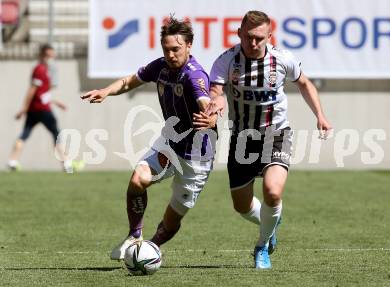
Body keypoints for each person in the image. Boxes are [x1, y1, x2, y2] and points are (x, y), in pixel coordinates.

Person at [194, 10, 332, 269]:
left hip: (276, 134)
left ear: (270, 36)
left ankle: (261, 247)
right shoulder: (226, 61)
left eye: (259, 38)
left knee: (272, 192)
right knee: (242, 206)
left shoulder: (282, 59)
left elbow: (304, 83)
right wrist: (216, 104)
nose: (254, 43)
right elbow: (216, 91)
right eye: (248, 37)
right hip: (242, 138)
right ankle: (271, 221)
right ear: (239, 34)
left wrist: (320, 115)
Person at [81, 17, 217, 260]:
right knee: (137, 180)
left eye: (175, 49)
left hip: (196, 156)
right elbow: (130, 81)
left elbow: (205, 102)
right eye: (166, 49)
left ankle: (149, 249)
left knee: (173, 217)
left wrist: (211, 118)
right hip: (170, 145)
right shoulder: (161, 67)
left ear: (189, 46)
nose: (170, 54)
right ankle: (135, 235)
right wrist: (106, 92)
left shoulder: (194, 76)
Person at [7, 43, 71, 172]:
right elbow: (32, 90)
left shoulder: (44, 70)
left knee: (25, 133)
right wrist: (24, 108)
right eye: (48, 55)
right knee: (56, 133)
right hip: (41, 109)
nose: (50, 58)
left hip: (35, 109)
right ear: (42, 54)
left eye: (52, 55)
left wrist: (55, 102)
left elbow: (41, 93)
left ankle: (12, 161)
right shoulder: (40, 69)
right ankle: (66, 163)